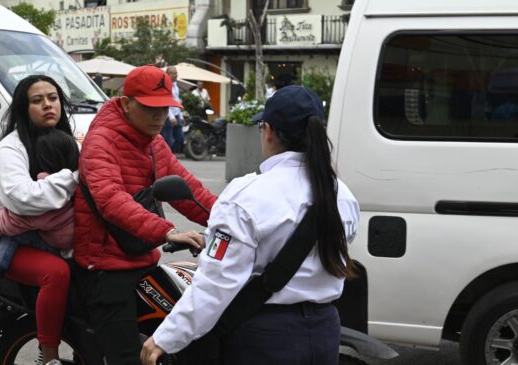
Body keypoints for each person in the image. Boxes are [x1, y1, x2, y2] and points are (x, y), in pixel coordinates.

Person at [141, 85, 360, 365]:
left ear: (268, 131)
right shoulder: (341, 193)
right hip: (325, 330)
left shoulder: (247, 194)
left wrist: (166, 337)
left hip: (266, 337)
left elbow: (216, 284)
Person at [73, 65, 218, 365]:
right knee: (128, 359)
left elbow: (189, 191)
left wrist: (234, 219)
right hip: (105, 266)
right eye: (151, 108)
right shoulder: (101, 142)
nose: (160, 116)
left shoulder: (155, 143)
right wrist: (166, 231)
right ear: (126, 103)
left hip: (141, 258)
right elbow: (111, 200)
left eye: (165, 108)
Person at [0, 74, 78, 365]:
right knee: (56, 273)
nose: (48, 105)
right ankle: (49, 357)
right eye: (37, 100)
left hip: (54, 237)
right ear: (23, 108)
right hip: (13, 241)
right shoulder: (11, 147)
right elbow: (23, 200)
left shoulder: (67, 141)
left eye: (53, 98)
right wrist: (72, 180)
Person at [0, 128, 78, 318]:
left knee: (12, 233)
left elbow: (8, 220)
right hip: (72, 246)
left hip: (59, 247)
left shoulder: (47, 191)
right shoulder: (77, 181)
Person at [160, 66, 184, 152]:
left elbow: (176, 100)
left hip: (177, 114)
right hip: (168, 116)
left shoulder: (175, 85)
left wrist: (181, 116)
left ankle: (169, 154)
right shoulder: (164, 85)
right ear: (167, 74)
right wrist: (171, 117)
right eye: (173, 73)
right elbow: (165, 102)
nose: (176, 75)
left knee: (180, 138)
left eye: (176, 73)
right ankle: (166, 156)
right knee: (167, 140)